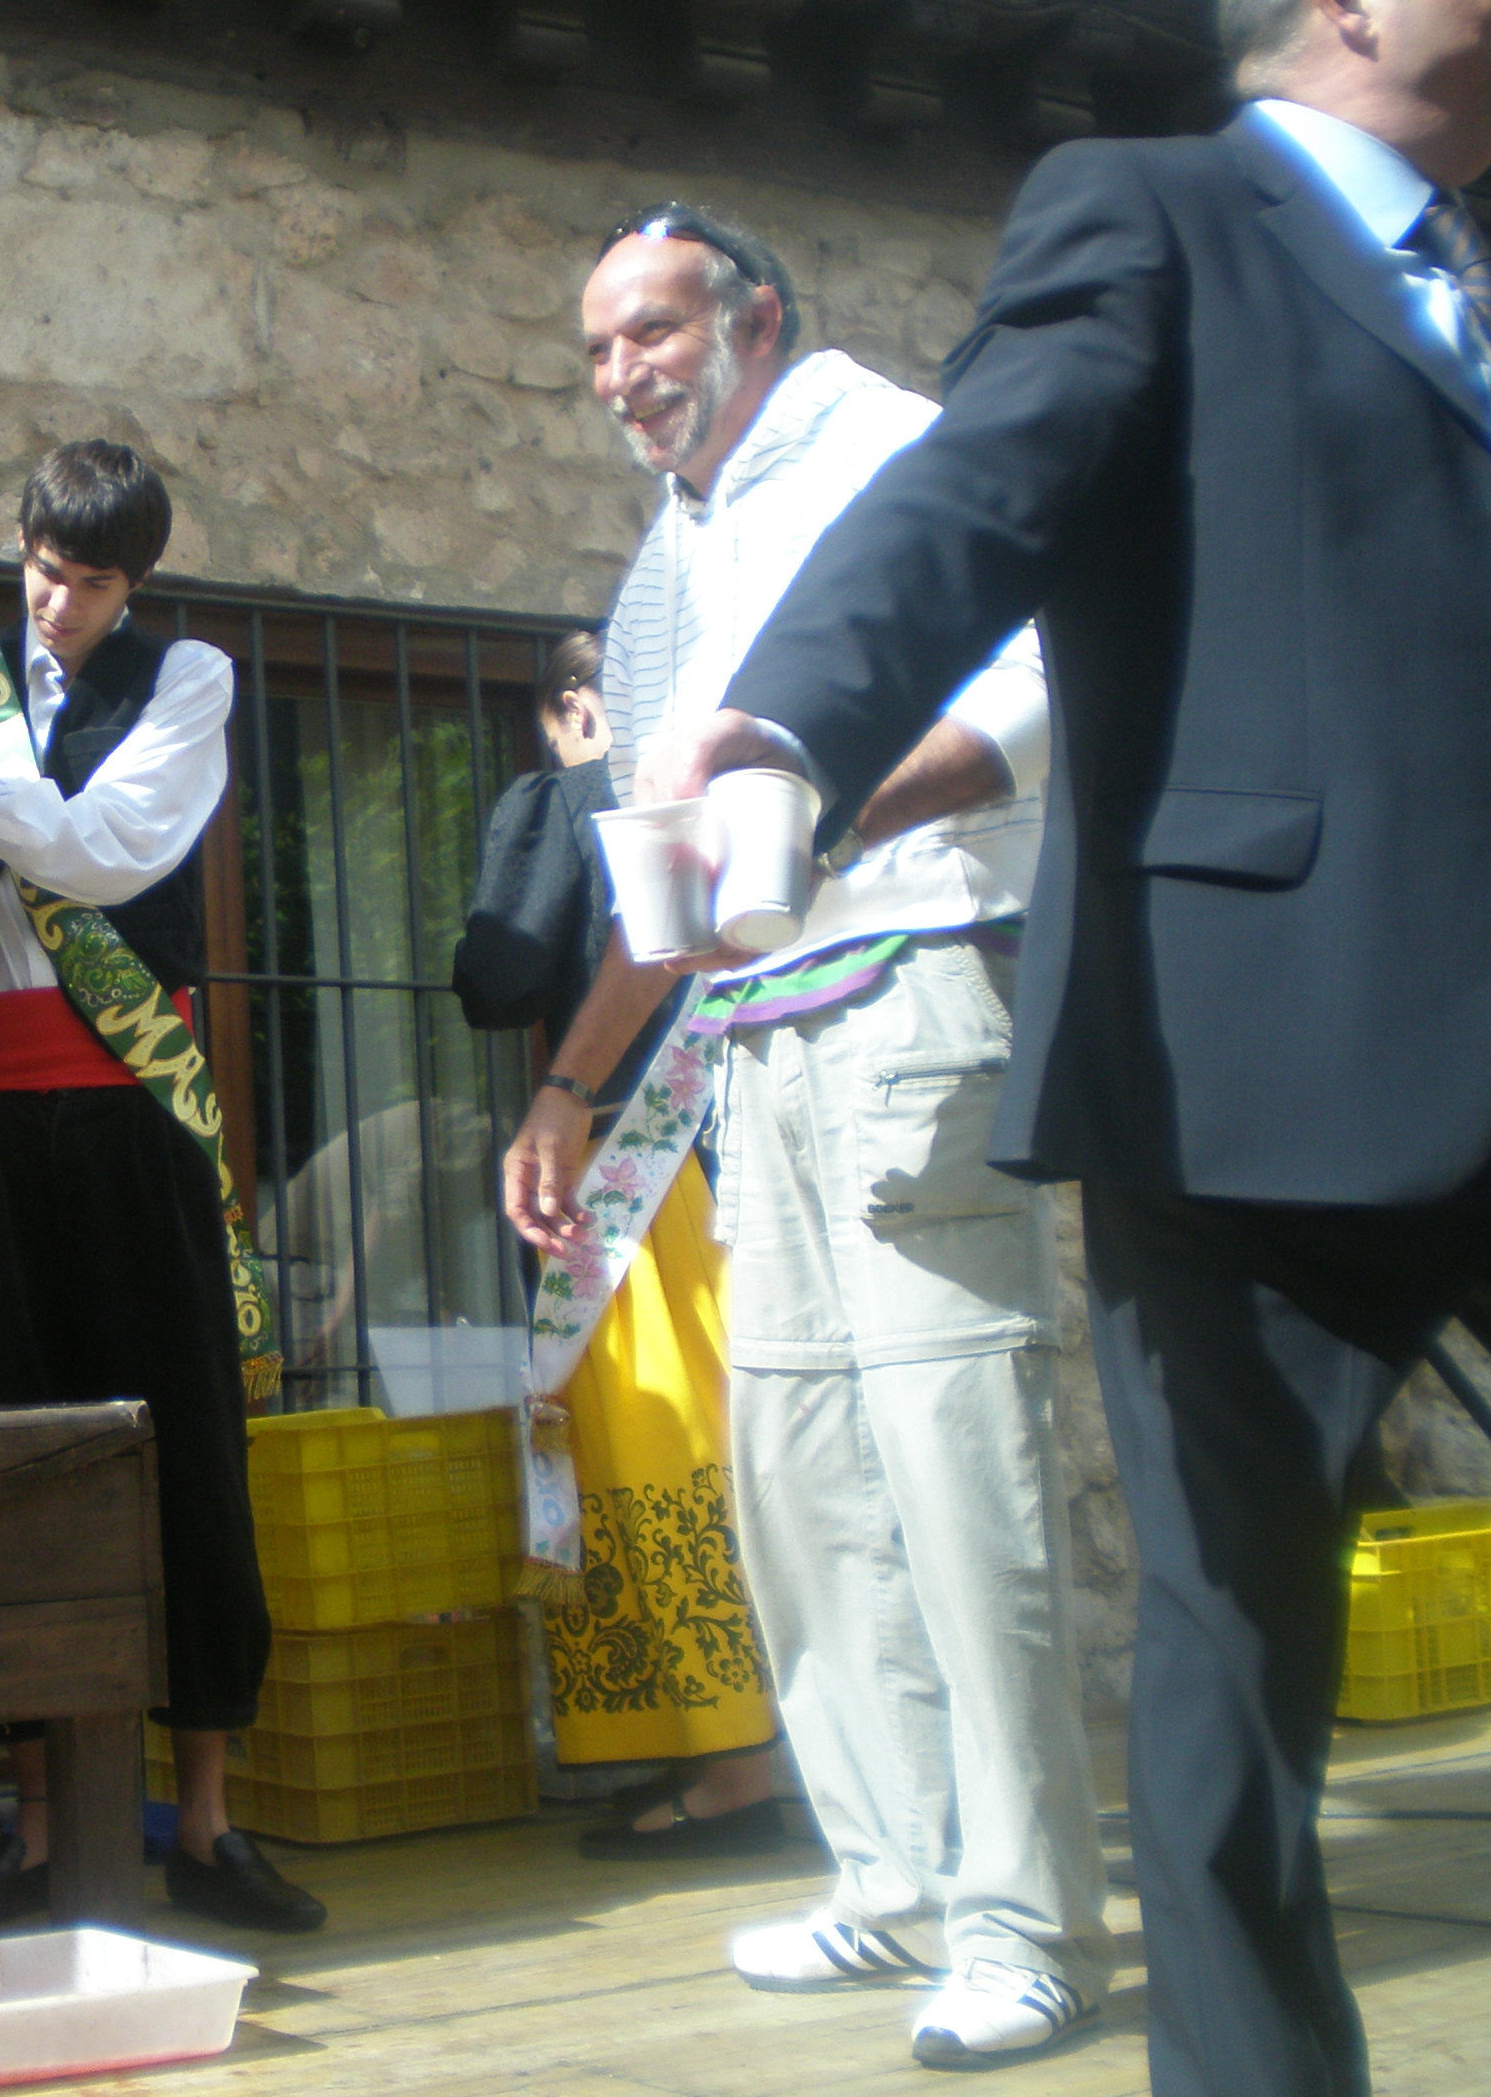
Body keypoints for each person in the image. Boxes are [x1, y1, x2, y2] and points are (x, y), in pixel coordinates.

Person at [644, 0, 1491, 2097]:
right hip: (1254, 1065)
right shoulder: (1149, 213)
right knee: (1233, 1671)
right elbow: (975, 505)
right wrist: (801, 723)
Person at [504, 203, 1109, 2068]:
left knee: (951, 1464)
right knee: (804, 1475)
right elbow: (678, 864)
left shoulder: (887, 445)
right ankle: (891, 1873)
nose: (622, 374)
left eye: (653, 331)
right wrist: (568, 1083)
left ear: (755, 317)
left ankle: (1021, 1921)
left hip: (916, 980)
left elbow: (1048, 673)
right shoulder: (674, 550)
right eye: (598, 348)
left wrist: (848, 794)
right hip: (755, 1036)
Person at [0, 441, 320, 1935]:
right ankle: (50, 1823)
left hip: (129, 1108)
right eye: (44, 571)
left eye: (94, 583)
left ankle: (208, 1818)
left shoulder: (186, 683)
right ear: (21, 545)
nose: (59, 606)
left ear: (139, 583)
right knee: (12, 1450)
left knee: (182, 1440)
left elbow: (104, 854)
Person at [451, 635, 782, 1860]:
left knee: (664, 1447)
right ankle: (748, 1742)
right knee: (730, 1440)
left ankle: (739, 1764)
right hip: (730, 1144)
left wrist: (567, 791)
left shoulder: (580, 796)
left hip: (634, 1168)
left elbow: (498, 970)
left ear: (568, 709)